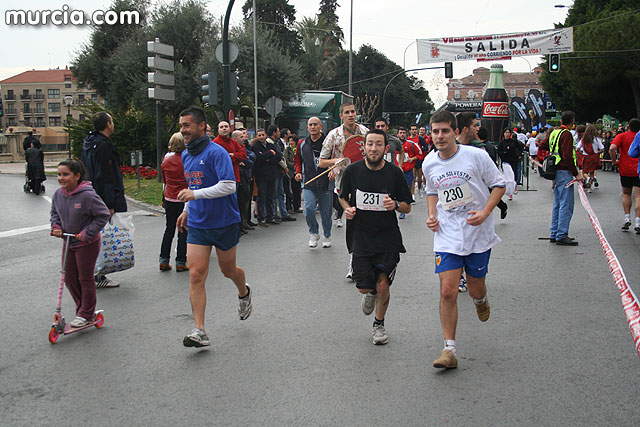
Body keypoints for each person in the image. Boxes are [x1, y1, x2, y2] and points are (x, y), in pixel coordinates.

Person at [423, 110, 506, 369]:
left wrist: (485, 212)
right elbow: (431, 190)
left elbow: (499, 185)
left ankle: (481, 300)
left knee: (474, 288)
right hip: (447, 234)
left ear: (455, 131)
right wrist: (431, 215)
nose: (439, 136)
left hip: (477, 233)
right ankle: (449, 350)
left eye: (445, 130)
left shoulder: (476, 156)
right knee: (448, 290)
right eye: (435, 131)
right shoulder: (429, 163)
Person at [175, 106, 252, 348]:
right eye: (181, 126)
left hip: (224, 221)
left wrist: (194, 196)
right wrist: (187, 210)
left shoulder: (216, 152)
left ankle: (244, 291)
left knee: (228, 270)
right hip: (199, 223)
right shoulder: (186, 155)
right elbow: (193, 185)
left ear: (200, 126)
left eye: (187, 126)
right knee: (196, 274)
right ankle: (200, 330)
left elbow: (229, 186)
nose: (183, 130)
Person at [338, 129, 413, 345]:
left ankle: (379, 325)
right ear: (364, 147)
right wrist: (348, 209)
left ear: (385, 148)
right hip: (360, 236)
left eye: (378, 144)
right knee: (365, 287)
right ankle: (369, 292)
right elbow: (342, 197)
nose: (373, 148)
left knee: (383, 284)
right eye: (370, 144)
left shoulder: (394, 173)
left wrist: (396, 205)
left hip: (387, 237)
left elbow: (407, 206)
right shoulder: (353, 171)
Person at [50, 159, 110, 328]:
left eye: (65, 174)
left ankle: (86, 313)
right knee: (69, 278)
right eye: (59, 174)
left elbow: (102, 215)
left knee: (85, 278)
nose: (61, 178)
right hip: (68, 241)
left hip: (87, 243)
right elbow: (54, 213)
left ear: (77, 176)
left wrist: (87, 233)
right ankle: (82, 310)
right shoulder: (58, 194)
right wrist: (56, 226)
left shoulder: (87, 195)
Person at [81, 111, 127, 288]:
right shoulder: (103, 146)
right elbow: (106, 175)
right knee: (101, 237)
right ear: (108, 124)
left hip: (91, 193)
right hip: (101, 196)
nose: (113, 124)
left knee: (95, 235)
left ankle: (92, 273)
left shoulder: (90, 143)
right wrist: (109, 203)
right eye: (112, 120)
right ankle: (97, 275)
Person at [319, 102, 369, 229]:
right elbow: (322, 162)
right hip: (343, 179)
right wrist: (338, 161)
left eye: (352, 112)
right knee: (350, 213)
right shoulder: (333, 135)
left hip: (365, 177)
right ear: (341, 116)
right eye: (347, 112)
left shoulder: (365, 132)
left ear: (356, 114)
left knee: (364, 214)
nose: (350, 115)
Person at [539, 111, 583, 245]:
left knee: (557, 203)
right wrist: (576, 173)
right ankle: (562, 234)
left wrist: (551, 153)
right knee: (566, 204)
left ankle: (554, 232)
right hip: (565, 171)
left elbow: (542, 145)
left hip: (556, 171)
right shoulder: (567, 134)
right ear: (572, 121)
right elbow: (568, 157)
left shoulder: (554, 132)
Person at [294, 117, 334, 248]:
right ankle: (313, 232)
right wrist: (298, 172)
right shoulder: (302, 144)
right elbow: (297, 160)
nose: (313, 127)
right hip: (308, 182)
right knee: (309, 209)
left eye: (315, 124)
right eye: (310, 125)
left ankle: (327, 235)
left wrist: (333, 170)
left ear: (320, 126)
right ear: (307, 127)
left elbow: (336, 159)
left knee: (326, 212)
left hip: (326, 183)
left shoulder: (328, 142)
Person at [159, 132, 189, 272]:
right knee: (183, 230)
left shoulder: (166, 159)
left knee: (169, 229)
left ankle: (164, 259)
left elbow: (164, 180)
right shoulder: (188, 159)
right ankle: (181, 261)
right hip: (183, 198)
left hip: (169, 196)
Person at [610, 118, 640, 232]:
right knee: (638, 196)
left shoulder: (622, 136)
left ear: (628, 127)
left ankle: (627, 217)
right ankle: (638, 221)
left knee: (626, 194)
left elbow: (612, 148)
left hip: (625, 169)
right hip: (638, 169)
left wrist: (614, 162)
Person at [252, 128, 282, 226]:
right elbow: (259, 158)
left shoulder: (271, 145)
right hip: (261, 175)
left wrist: (269, 159)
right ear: (256, 136)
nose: (261, 137)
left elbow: (278, 156)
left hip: (272, 175)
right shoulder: (255, 147)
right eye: (259, 135)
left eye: (263, 135)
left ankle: (270, 216)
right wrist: (270, 153)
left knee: (271, 197)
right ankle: (261, 218)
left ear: (266, 135)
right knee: (261, 197)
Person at [232, 129, 256, 233]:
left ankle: (244, 222)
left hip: (245, 176)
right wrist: (240, 159)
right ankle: (238, 225)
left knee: (246, 200)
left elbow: (250, 159)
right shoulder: (234, 147)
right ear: (235, 139)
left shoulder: (243, 148)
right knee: (239, 202)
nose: (244, 139)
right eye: (241, 137)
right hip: (238, 178)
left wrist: (241, 158)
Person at [272, 126, 295, 222]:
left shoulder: (278, 143)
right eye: (277, 131)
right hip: (276, 171)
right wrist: (285, 167)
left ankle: (283, 213)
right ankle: (273, 214)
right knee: (274, 194)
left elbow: (279, 156)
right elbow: (278, 157)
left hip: (280, 171)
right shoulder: (272, 143)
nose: (279, 133)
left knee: (281, 193)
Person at [398, 127, 421, 218]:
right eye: (400, 133)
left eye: (404, 132)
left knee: (406, 188)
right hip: (397, 170)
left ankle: (403, 209)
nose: (402, 134)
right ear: (398, 134)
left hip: (407, 170)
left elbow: (419, 154)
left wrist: (412, 159)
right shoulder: (394, 144)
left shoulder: (411, 144)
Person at [575, 124, 604, 193]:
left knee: (584, 171)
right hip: (594, 157)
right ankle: (589, 187)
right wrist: (598, 153)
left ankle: (587, 178)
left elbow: (577, 148)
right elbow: (602, 148)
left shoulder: (583, 139)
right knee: (592, 172)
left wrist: (582, 153)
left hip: (586, 157)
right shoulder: (596, 139)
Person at [497, 128, 523, 199]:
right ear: (504, 133)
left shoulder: (514, 141)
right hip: (506, 163)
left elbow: (521, 146)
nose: (507, 134)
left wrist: (519, 154)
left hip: (514, 161)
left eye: (508, 132)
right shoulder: (501, 143)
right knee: (508, 178)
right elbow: (499, 153)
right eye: (506, 132)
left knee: (514, 175)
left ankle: (514, 187)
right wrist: (505, 152)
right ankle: (509, 193)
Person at [285, 134, 302, 214]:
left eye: (292, 141)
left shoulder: (299, 149)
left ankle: (297, 206)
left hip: (298, 173)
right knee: (289, 191)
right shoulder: (287, 149)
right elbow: (286, 160)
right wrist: (294, 166)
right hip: (291, 173)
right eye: (289, 141)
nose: (291, 142)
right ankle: (289, 207)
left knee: (297, 191)